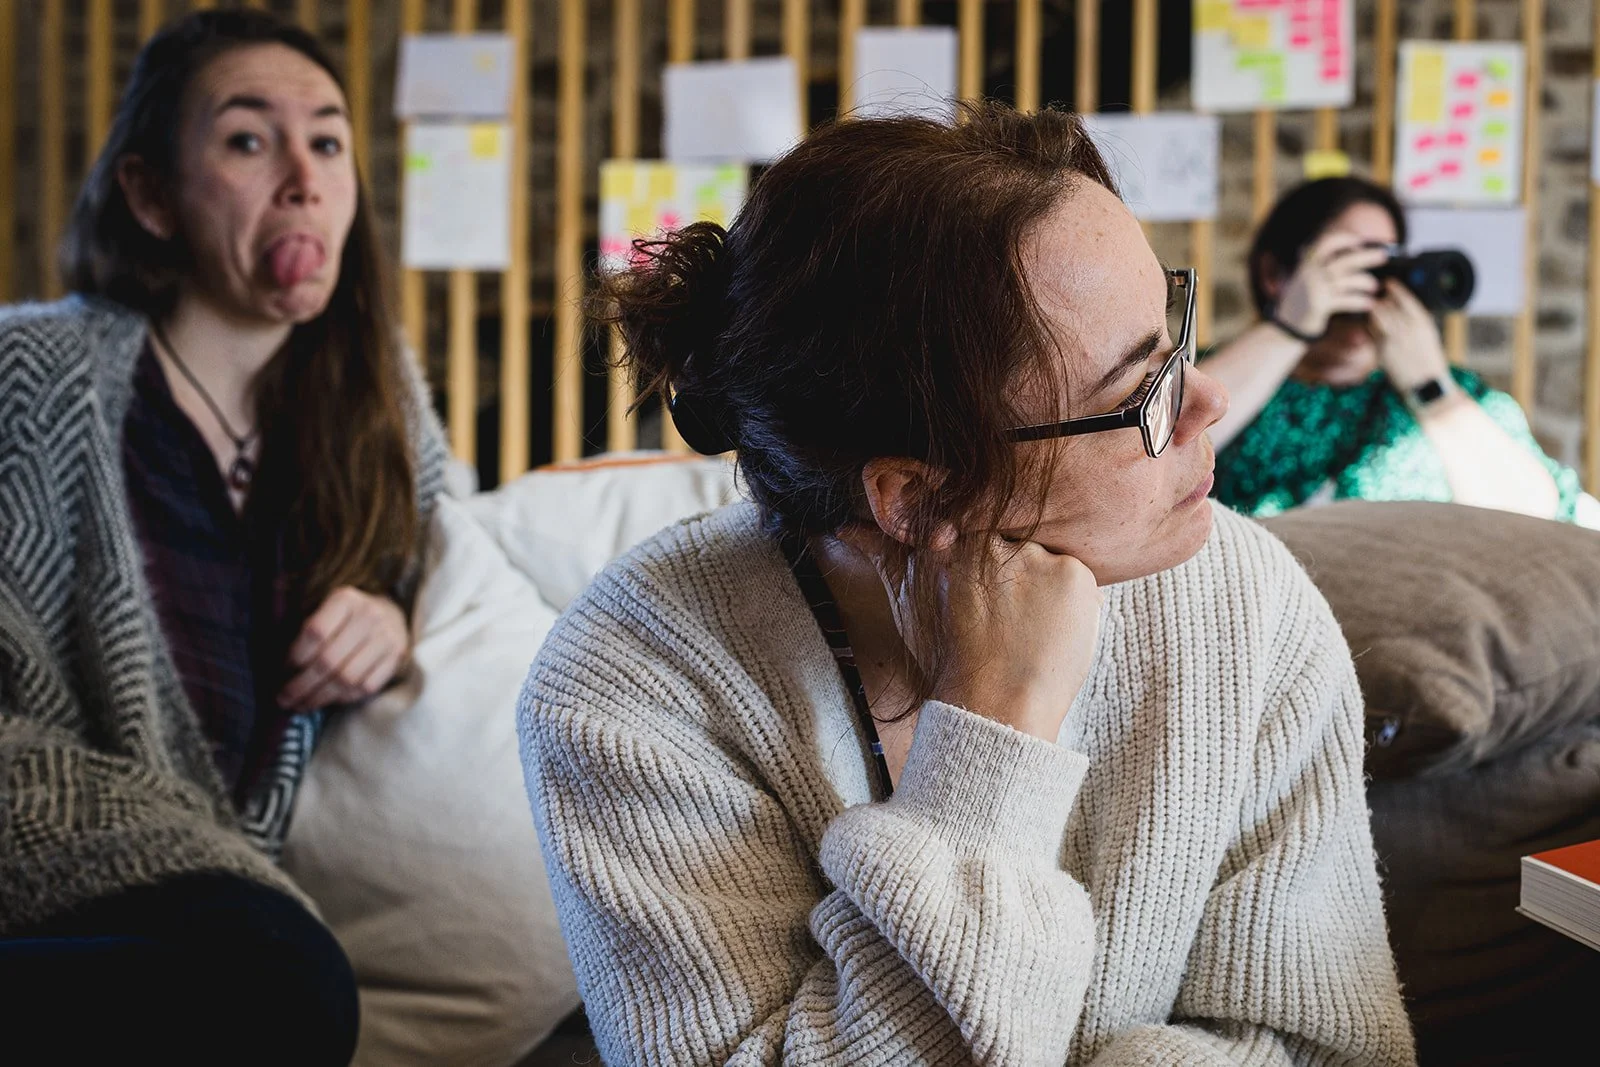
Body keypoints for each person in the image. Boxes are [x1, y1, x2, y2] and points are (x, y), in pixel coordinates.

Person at [519, 106, 1416, 1065]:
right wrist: (993, 736)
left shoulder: (1245, 603)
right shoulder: (629, 689)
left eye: (1174, 333)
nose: (1207, 400)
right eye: (1136, 391)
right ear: (913, 493)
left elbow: (1324, 1046)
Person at [0, 11, 447, 1064]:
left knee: (270, 973)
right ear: (151, 195)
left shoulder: (383, 410)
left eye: (328, 141)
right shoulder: (35, 369)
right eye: (249, 139)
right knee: (284, 980)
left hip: (193, 895)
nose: (303, 177)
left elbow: (441, 557)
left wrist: (386, 611)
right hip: (44, 813)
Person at [1204, 176, 1582, 520]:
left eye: (1385, 259)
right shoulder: (1210, 376)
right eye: (1349, 258)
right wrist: (1289, 328)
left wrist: (1430, 385)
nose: (1371, 281)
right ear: (1275, 274)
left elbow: (1537, 517)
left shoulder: (1456, 390)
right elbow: (1163, 442)